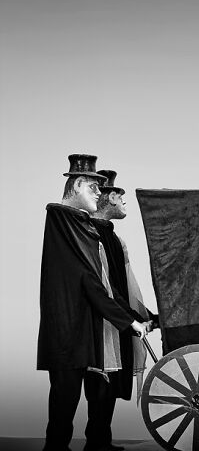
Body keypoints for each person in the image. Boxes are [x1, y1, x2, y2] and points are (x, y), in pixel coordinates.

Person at [38, 154, 149, 451]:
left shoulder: (81, 226)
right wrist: (128, 320)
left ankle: (94, 444)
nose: (99, 194)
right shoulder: (65, 222)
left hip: (83, 329)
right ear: (76, 185)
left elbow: (104, 284)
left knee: (86, 395)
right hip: (67, 330)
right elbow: (92, 283)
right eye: (93, 187)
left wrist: (132, 317)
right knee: (65, 401)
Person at [90, 169, 160, 451]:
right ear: (109, 197)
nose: (123, 200)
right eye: (120, 195)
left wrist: (143, 316)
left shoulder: (115, 238)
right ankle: (96, 443)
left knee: (110, 380)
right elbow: (104, 286)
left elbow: (126, 284)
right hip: (99, 318)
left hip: (118, 317)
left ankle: (99, 441)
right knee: (100, 379)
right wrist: (131, 318)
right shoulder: (90, 234)